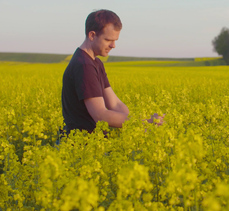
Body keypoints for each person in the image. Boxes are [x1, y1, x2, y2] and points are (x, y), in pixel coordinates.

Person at [60, 9, 163, 137]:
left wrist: (141, 124)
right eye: (108, 40)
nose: (113, 45)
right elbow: (100, 115)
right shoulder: (84, 66)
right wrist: (144, 123)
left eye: (115, 40)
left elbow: (115, 104)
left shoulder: (96, 63)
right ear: (92, 35)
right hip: (80, 147)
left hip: (94, 144)